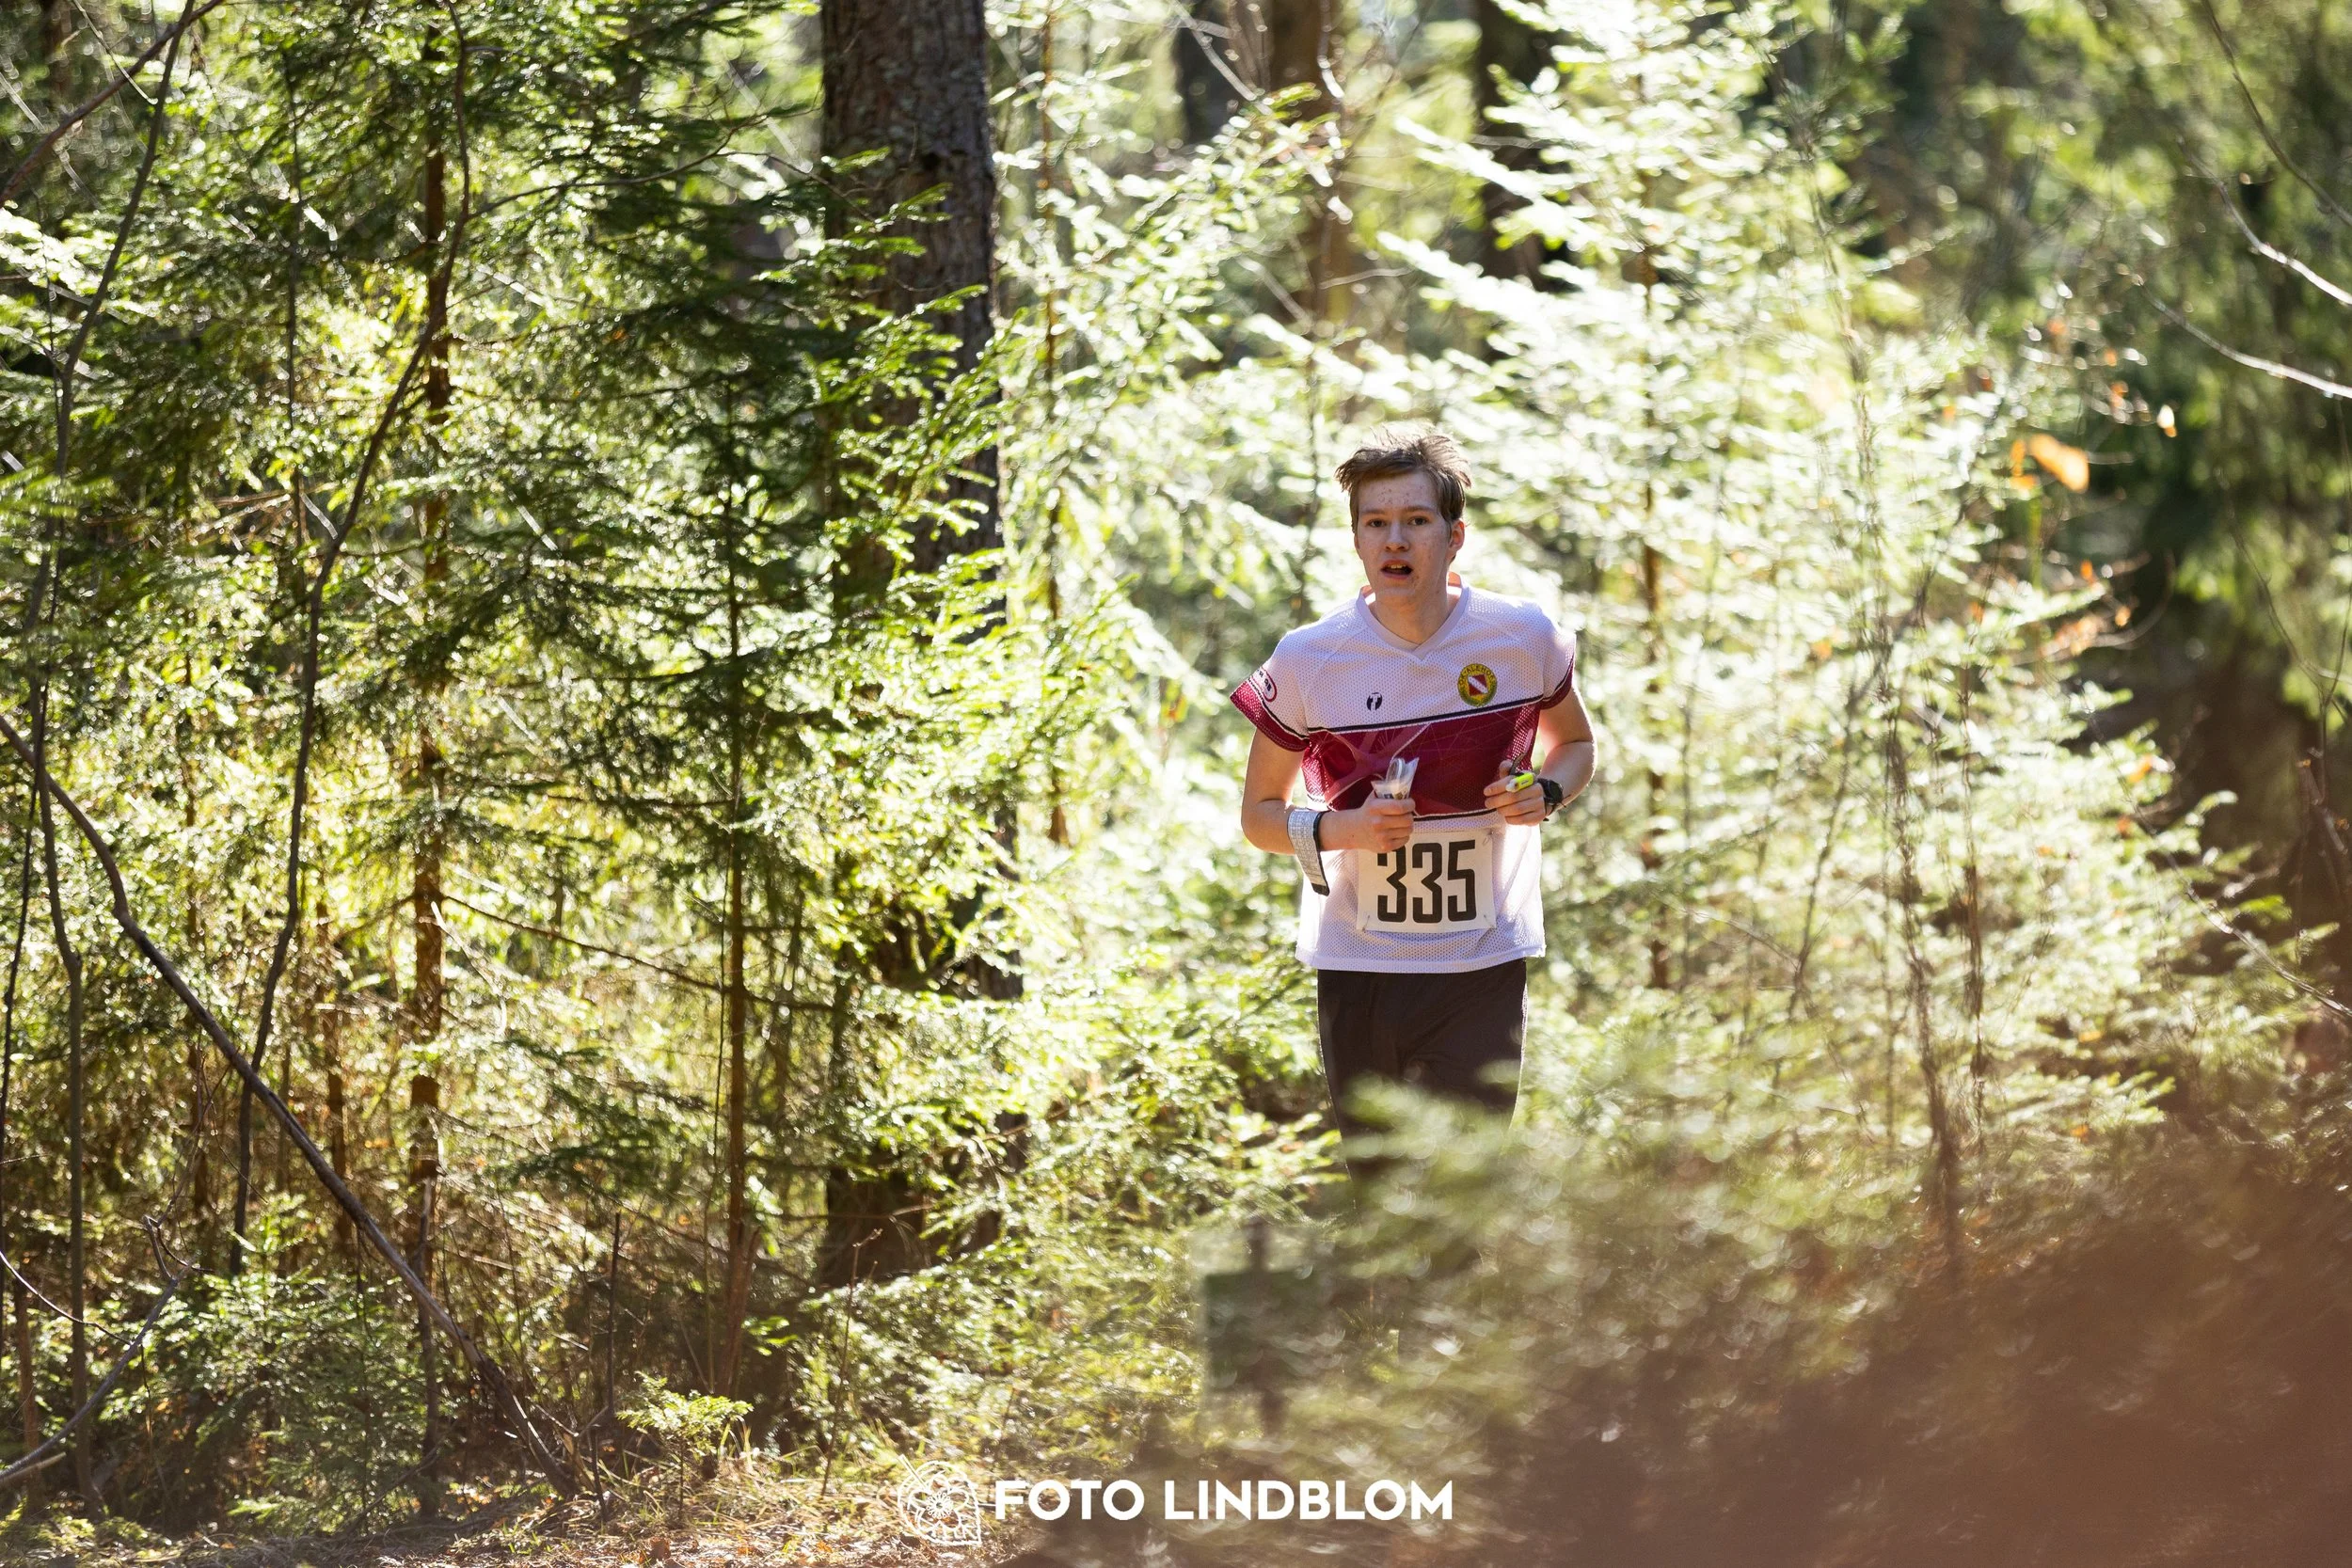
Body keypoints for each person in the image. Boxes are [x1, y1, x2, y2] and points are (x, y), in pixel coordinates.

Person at [1233, 427, 1595, 1177]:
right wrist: (1346, 828)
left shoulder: (1521, 636)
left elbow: (1577, 745)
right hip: (1359, 965)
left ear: (1454, 536)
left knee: (1464, 1191)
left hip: (1482, 959)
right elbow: (1259, 816)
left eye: (1416, 520)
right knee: (1382, 1196)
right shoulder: (1308, 658)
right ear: (1357, 540)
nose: (1395, 540)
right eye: (1376, 523)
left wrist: (1547, 791)